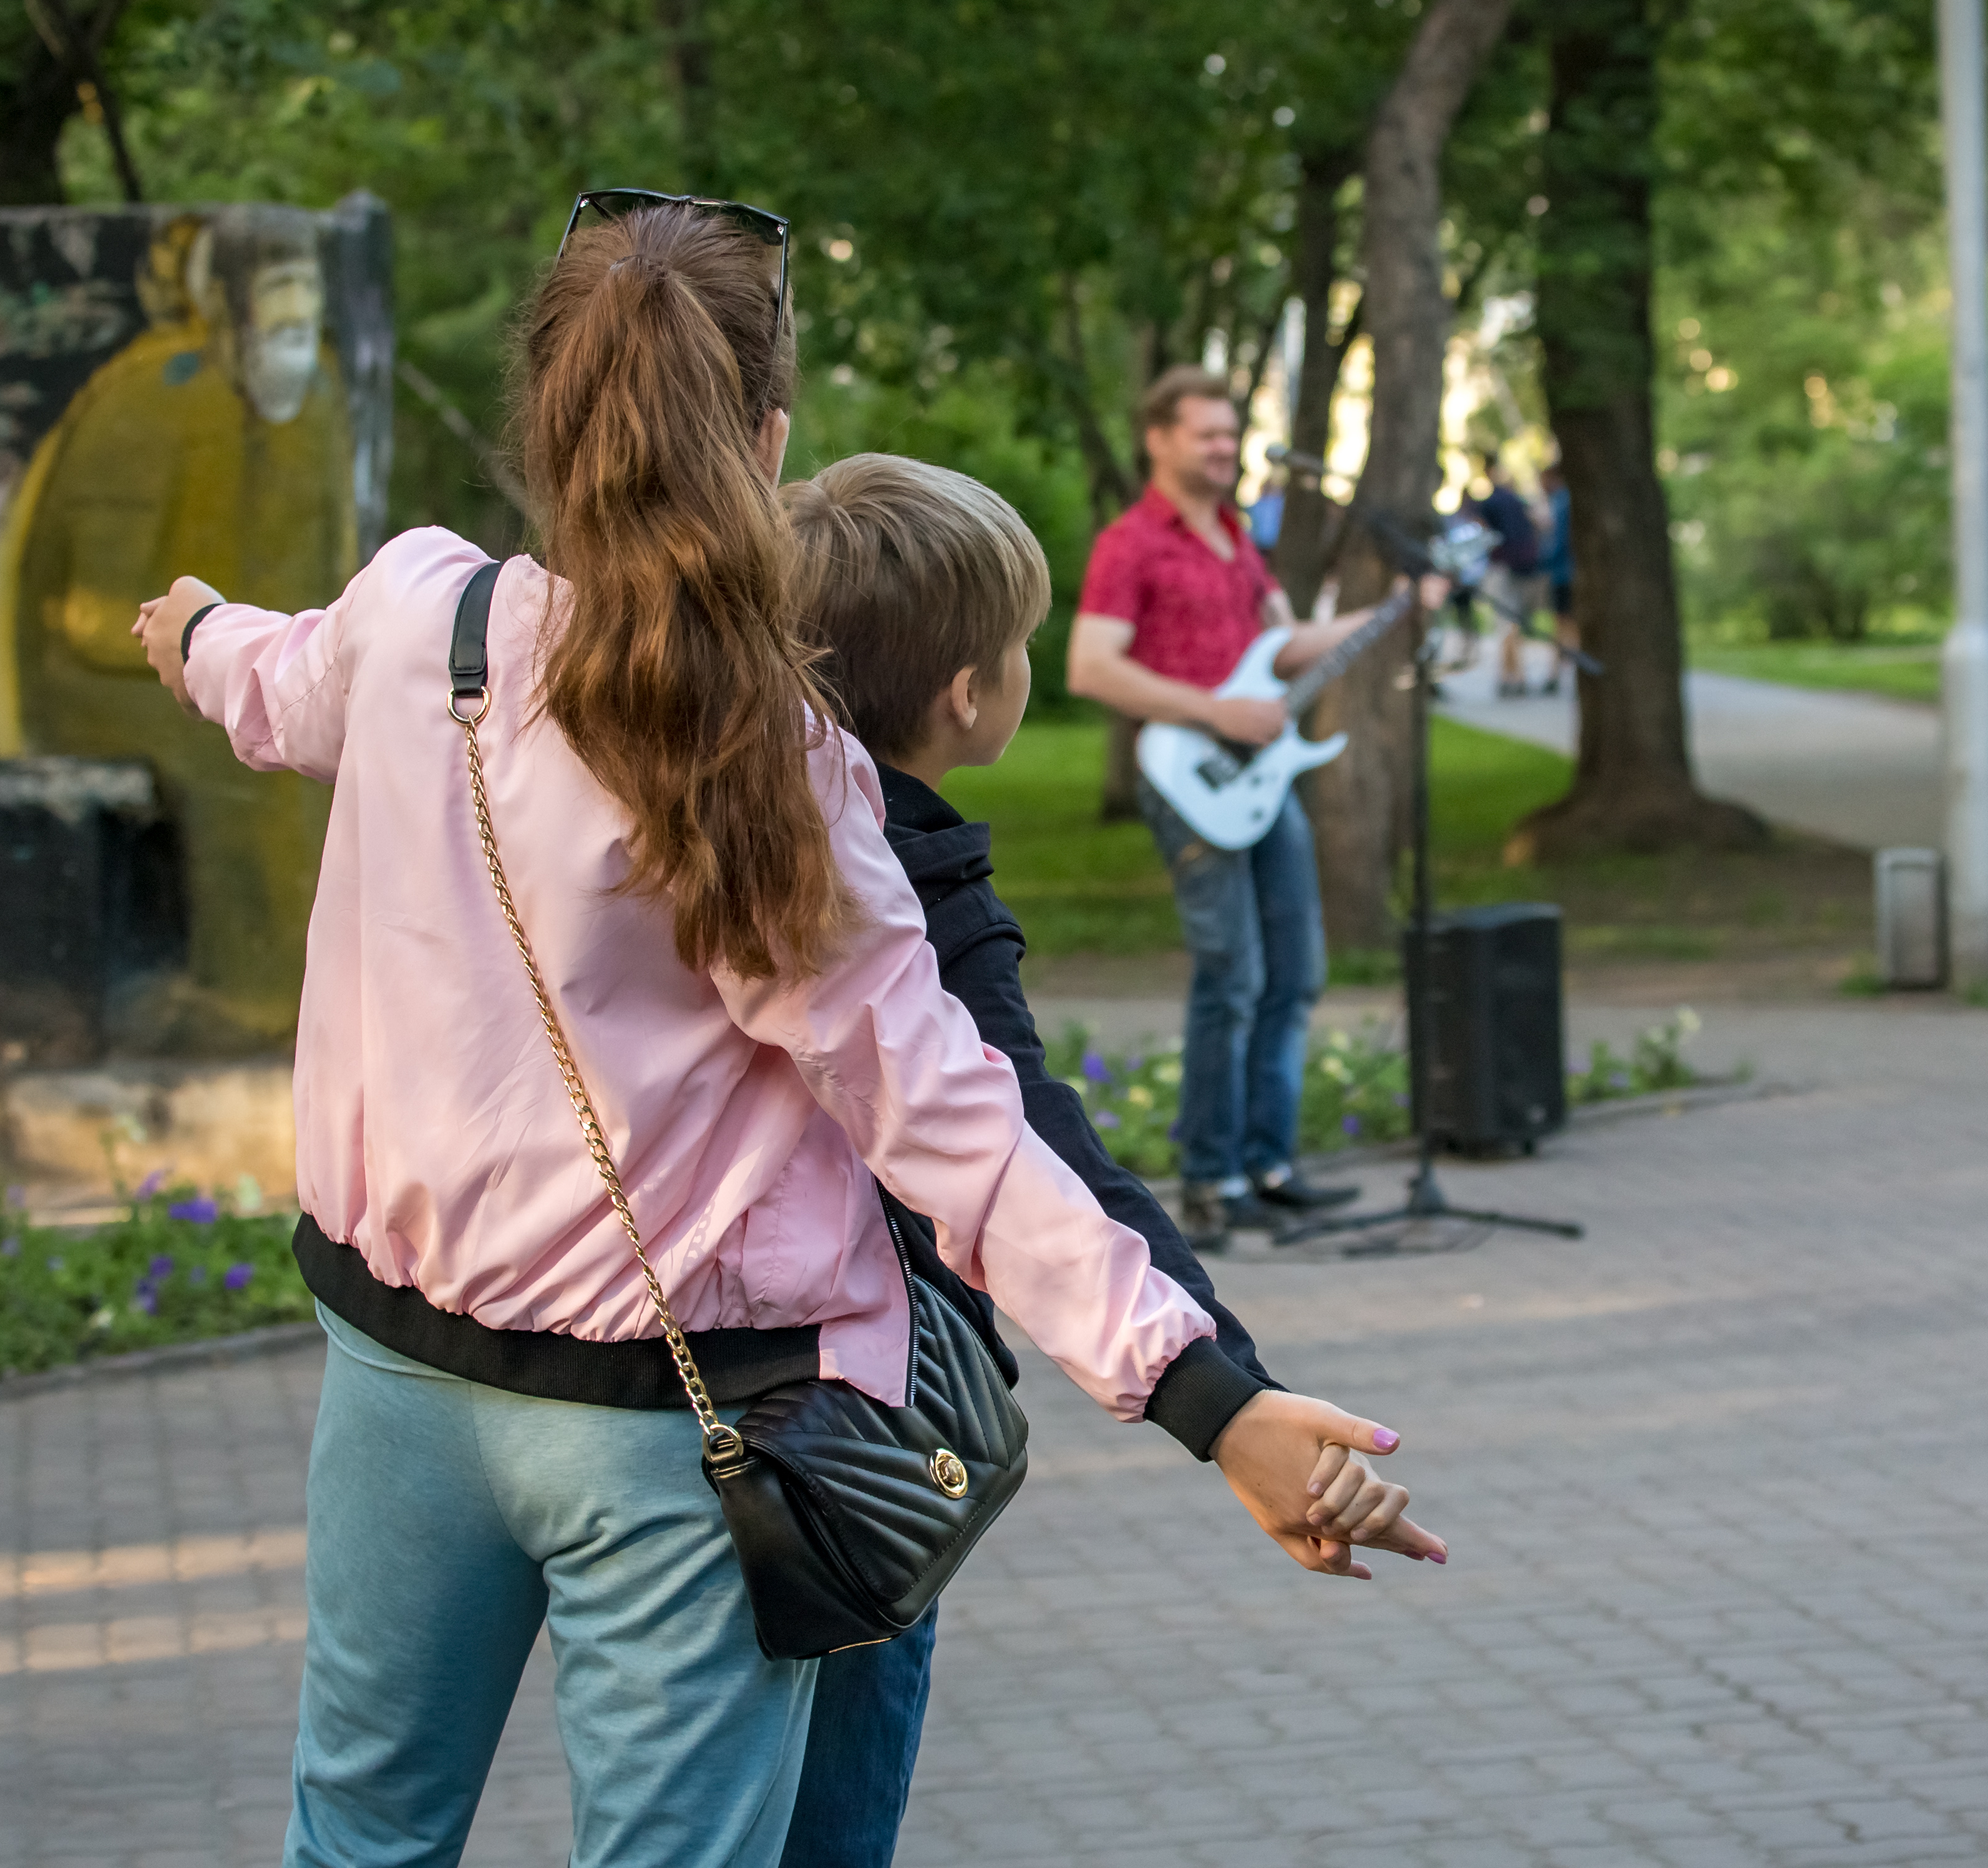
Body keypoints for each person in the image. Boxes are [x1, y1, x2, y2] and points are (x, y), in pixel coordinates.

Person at [127, 202, 1442, 1868]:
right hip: (677, 1435)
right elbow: (957, 1122)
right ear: (764, 437)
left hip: (396, 1381)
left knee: (362, 1832)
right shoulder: (781, 764)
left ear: (544, 415)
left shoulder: (416, 619)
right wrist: (1206, 1398)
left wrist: (189, 635)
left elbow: (275, 677)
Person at [778, 452, 1298, 1865]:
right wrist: (1226, 1385)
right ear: (968, 694)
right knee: (830, 1791)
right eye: (1017, 648)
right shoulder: (914, 883)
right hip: (844, 1430)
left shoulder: (708, 819)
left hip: (637, 1394)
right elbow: (1039, 1151)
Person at [1066, 366, 1436, 1242]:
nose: (1226, 449)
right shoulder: (1132, 543)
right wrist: (1212, 708)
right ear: (1159, 439)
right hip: (1190, 773)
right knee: (1230, 977)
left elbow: (1287, 645)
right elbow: (1091, 665)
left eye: (1232, 435)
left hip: (1263, 778)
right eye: (1207, 435)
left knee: (1297, 972)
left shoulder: (1236, 536)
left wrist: (1391, 613)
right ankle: (1208, 1178)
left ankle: (1269, 1165)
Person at [0, 209, 360, 1043]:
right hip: (101, 669)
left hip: (259, 651)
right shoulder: (154, 398)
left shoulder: (322, 394)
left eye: (308, 291)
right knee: (237, 746)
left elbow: (337, 561)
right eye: (276, 293)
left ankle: (302, 992)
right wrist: (217, 654)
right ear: (224, 301)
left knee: (338, 729)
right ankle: (252, 997)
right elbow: (85, 610)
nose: (296, 319)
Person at [1469, 453, 1544, 698]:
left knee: (1506, 623)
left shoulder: (1490, 503)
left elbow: (1482, 535)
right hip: (1523, 567)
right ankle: (1513, 673)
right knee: (1512, 622)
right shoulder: (1516, 500)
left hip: (1503, 567)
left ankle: (1510, 675)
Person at [1539, 459, 1579, 681]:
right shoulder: (1564, 500)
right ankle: (1557, 670)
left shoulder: (1561, 502)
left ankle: (1562, 670)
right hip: (1565, 571)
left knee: (1566, 623)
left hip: (1564, 572)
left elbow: (1558, 541)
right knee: (1565, 623)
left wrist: (1540, 561)